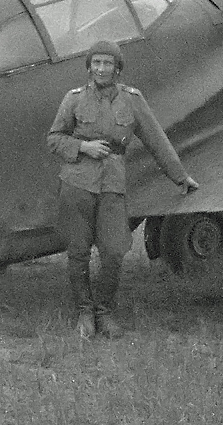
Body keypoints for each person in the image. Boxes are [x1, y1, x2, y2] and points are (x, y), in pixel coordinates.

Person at [47, 40, 199, 338]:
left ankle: (105, 312)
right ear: (89, 67)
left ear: (117, 68)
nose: (101, 69)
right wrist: (83, 146)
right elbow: (54, 139)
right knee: (78, 251)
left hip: (112, 185)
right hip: (77, 183)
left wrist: (180, 177)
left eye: (107, 63)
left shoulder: (132, 100)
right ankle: (84, 314)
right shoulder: (74, 99)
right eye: (96, 63)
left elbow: (156, 140)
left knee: (114, 250)